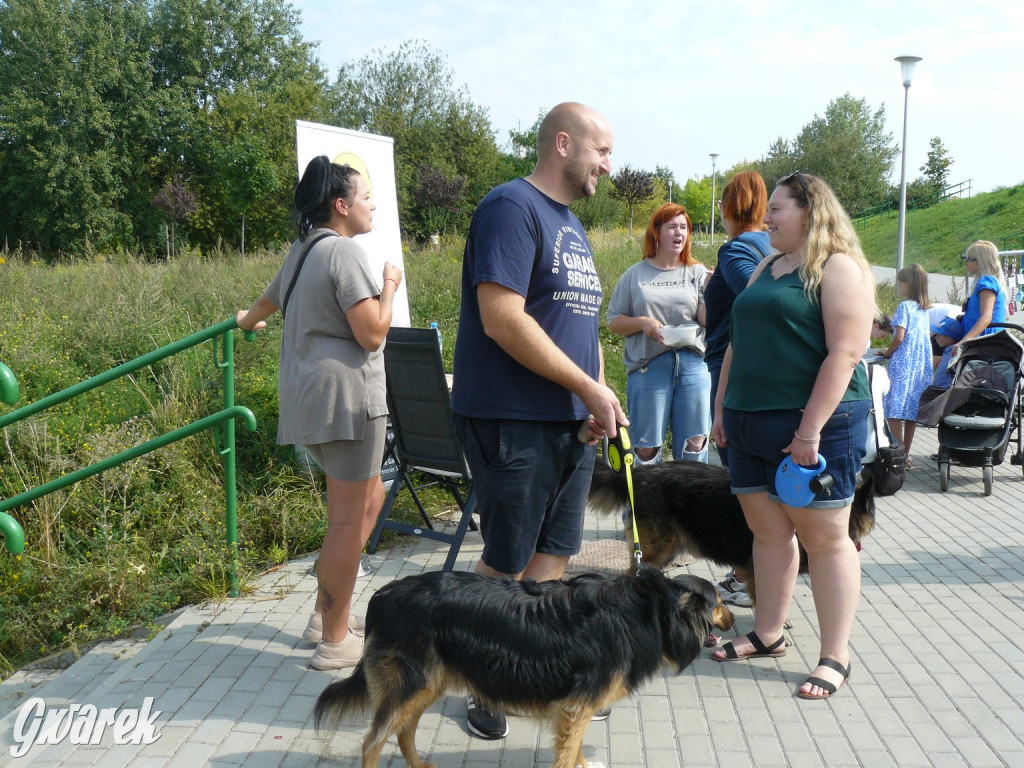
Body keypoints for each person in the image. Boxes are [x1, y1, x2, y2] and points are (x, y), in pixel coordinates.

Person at [450, 102, 627, 739]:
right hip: (512, 418)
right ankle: (478, 682)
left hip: (571, 423)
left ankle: (522, 672)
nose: (610, 164)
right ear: (563, 143)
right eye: (602, 150)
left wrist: (599, 394)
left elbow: (580, 327)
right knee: (505, 561)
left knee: (554, 555)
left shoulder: (572, 227)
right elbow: (501, 317)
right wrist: (583, 386)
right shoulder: (510, 208)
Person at [710, 171, 874, 702]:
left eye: (778, 208)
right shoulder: (766, 264)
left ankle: (835, 655)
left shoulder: (837, 268)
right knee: (768, 533)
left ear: (811, 211)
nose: (767, 218)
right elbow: (738, 344)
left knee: (826, 542)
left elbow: (845, 353)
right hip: (747, 422)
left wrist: (809, 431)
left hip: (813, 428)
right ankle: (768, 632)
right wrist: (721, 409)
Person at [236, 156, 402, 671]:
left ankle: (322, 614)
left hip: (311, 399)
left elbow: (266, 301)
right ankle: (334, 642)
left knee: (366, 503)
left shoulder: (303, 250)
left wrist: (244, 322)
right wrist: (390, 284)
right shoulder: (347, 253)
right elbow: (373, 332)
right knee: (348, 523)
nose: (371, 204)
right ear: (340, 205)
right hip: (348, 401)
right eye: (364, 196)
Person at [701, 171, 771, 607]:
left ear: (729, 206)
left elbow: (756, 290)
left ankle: (750, 579)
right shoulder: (770, 244)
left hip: (732, 374)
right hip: (757, 375)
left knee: (742, 487)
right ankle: (750, 574)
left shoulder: (739, 247)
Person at [607, 203, 711, 464]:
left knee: (694, 447)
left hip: (694, 366)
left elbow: (706, 320)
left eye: (684, 227)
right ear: (657, 232)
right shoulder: (635, 275)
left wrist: (712, 292)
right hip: (649, 368)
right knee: (646, 450)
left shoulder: (697, 272)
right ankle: (646, 505)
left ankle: (690, 505)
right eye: (672, 226)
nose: (680, 233)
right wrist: (643, 323)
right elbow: (614, 322)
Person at [877, 264, 932, 466]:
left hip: (903, 365)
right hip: (919, 368)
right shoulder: (924, 308)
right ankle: (906, 453)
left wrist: (888, 352)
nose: (899, 286)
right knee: (911, 412)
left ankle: (898, 455)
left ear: (908, 284)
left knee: (893, 410)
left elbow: (899, 336)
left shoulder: (905, 307)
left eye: (901, 282)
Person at [955, 239, 1007, 352]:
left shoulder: (987, 282)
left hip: (984, 341)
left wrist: (963, 342)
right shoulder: (984, 281)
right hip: (980, 338)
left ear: (980, 261)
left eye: (969, 259)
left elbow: (986, 318)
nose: (966, 262)